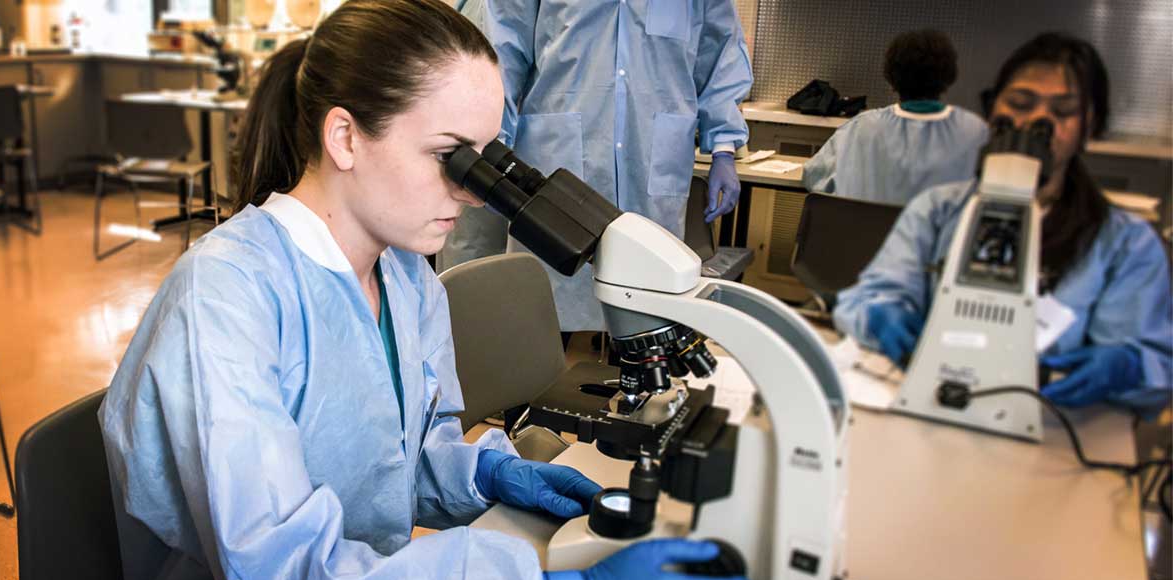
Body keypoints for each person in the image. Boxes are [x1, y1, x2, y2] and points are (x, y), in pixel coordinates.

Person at [98, 2, 750, 580]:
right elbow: (282, 574)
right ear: (346, 137)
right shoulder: (225, 296)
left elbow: (398, 458)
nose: (472, 193)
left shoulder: (405, 278)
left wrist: (485, 475)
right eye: (450, 158)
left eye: (485, 162)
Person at [834, 33, 1172, 409]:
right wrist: (881, 315)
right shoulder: (936, 210)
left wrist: (1129, 365)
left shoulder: (1125, 244)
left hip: (1055, 425)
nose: (1036, 122)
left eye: (1062, 112)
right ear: (993, 109)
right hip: (933, 405)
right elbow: (864, 300)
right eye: (1020, 102)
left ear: (1088, 127)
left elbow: (1156, 370)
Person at [449, 0, 754, 333]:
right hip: (556, 160)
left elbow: (719, 53)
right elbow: (499, 53)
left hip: (651, 159)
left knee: (648, 301)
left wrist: (724, 147)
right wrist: (491, 143)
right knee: (545, 303)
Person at [803, 29, 988, 206]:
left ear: (891, 78)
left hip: (861, 237)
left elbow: (813, 176)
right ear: (948, 78)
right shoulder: (968, 132)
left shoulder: (861, 127)